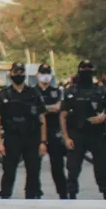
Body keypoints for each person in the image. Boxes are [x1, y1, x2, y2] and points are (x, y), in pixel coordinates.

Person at [0, 61, 48, 199]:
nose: (19, 74)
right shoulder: (4, 95)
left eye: (21, 72)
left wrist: (43, 141)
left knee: (33, 170)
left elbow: (42, 118)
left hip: (31, 136)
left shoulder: (33, 93)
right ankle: (5, 196)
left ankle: (31, 197)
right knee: (9, 170)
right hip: (12, 137)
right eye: (16, 72)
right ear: (11, 74)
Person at [61, 60, 106, 199]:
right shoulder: (71, 91)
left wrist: (104, 116)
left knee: (102, 170)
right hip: (77, 134)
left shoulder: (101, 90)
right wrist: (66, 137)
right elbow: (63, 115)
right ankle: (72, 197)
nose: (86, 71)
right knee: (73, 169)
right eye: (83, 68)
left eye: (89, 68)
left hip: (97, 134)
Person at [36, 64, 70, 199]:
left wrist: (43, 108)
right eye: (43, 72)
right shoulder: (32, 91)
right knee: (34, 167)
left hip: (54, 131)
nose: (45, 75)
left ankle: (63, 194)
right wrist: (47, 108)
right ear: (37, 75)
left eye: (48, 73)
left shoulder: (57, 91)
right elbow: (35, 110)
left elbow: (58, 108)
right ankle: (35, 193)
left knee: (57, 166)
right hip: (36, 132)